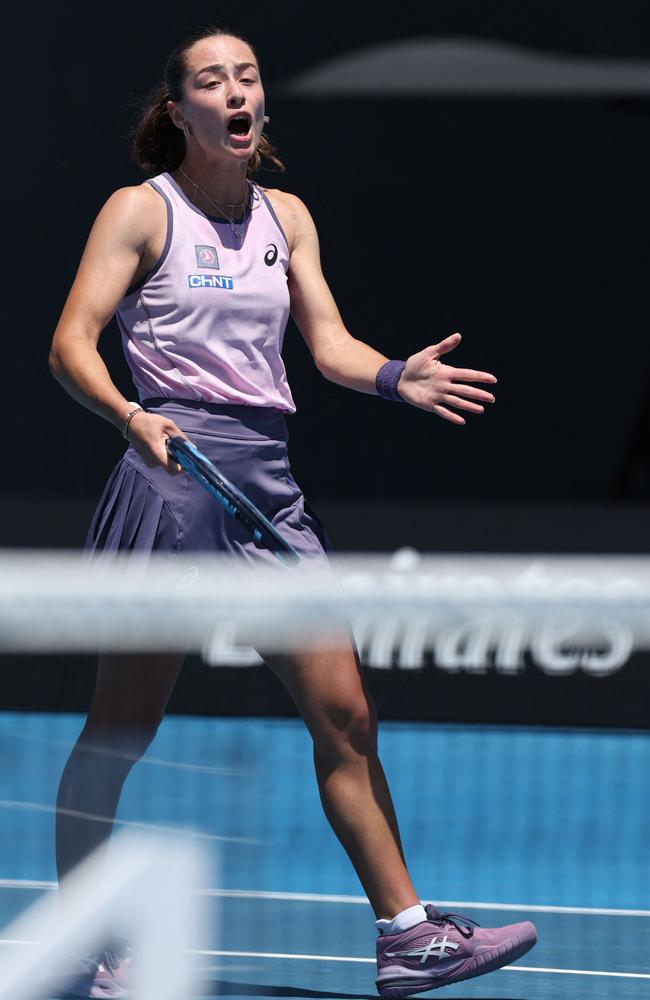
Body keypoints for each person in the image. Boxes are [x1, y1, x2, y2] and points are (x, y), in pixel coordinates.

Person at [49, 24, 536, 999]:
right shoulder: (140, 213)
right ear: (178, 109)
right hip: (173, 473)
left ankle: (406, 937)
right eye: (210, 79)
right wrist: (132, 415)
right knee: (121, 729)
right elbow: (71, 341)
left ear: (259, 105)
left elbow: (329, 346)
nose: (234, 90)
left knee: (346, 714)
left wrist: (396, 376)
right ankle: (86, 937)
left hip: (268, 489)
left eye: (247, 76)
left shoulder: (287, 219)